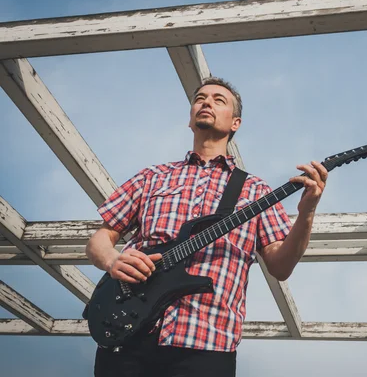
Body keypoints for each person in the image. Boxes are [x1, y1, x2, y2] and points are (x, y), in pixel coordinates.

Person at [85, 77, 327, 377]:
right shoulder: (153, 177)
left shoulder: (255, 191)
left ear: (235, 123)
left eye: (218, 99)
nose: (206, 102)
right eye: (200, 98)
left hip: (206, 345)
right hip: (128, 334)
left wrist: (306, 213)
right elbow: (99, 239)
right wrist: (113, 259)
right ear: (190, 120)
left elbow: (280, 266)